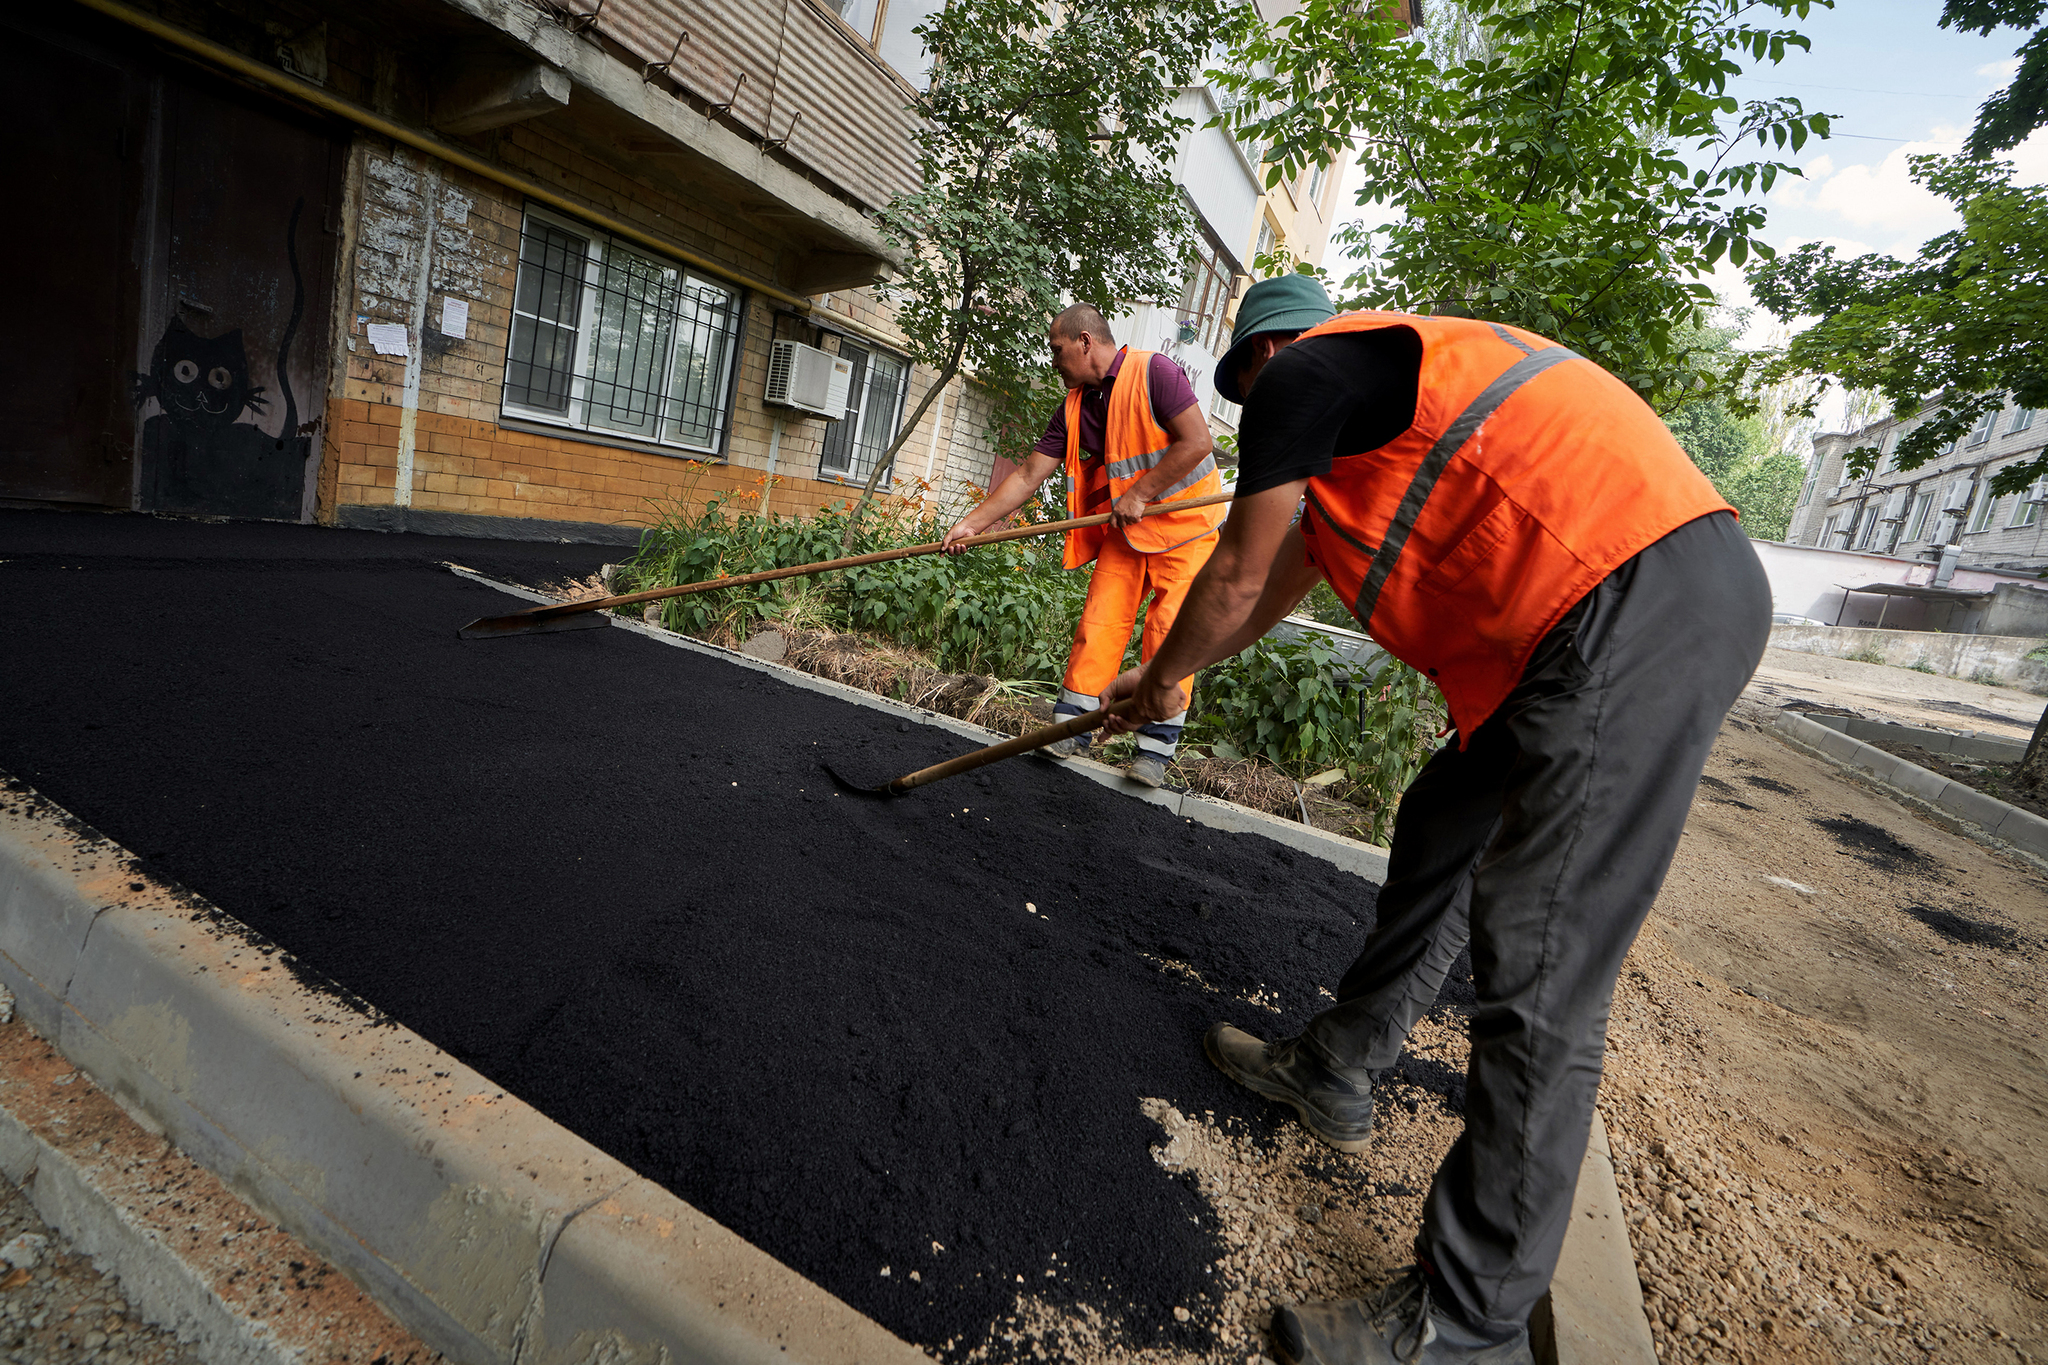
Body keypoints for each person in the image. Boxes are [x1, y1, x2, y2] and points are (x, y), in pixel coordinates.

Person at [1098, 275, 1771, 1365]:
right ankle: (1334, 1066)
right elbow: (1269, 587)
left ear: (1265, 358)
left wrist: (1160, 676)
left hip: (1634, 606)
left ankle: (1468, 1321)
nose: (1244, 411)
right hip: (1590, 618)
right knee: (1441, 823)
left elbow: (1229, 571)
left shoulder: (1305, 372)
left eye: (1240, 388)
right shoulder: (1362, 423)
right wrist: (1170, 676)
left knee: (1541, 957)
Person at [940, 304, 1225, 787]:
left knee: (1169, 635)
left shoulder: (1155, 371)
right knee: (1099, 624)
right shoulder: (1074, 406)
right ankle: (1072, 729)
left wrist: (1139, 493)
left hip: (1187, 528)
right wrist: (974, 524)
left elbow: (1197, 442)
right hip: (1126, 531)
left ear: (1085, 341)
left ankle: (1154, 752)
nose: (1053, 360)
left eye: (1057, 349)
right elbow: (1030, 473)